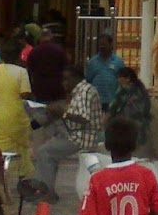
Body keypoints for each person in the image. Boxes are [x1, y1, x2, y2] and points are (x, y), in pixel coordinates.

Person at [35, 64, 107, 200]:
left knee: (44, 151)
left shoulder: (84, 92)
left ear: (76, 78)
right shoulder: (83, 90)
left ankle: (45, 191)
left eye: (66, 80)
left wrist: (63, 112)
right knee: (50, 146)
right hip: (78, 133)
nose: (64, 84)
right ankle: (46, 188)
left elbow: (83, 118)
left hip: (83, 136)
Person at [0, 33, 34, 181]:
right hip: (16, 118)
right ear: (19, 54)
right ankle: (22, 182)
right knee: (21, 151)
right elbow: (25, 94)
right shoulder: (21, 72)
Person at [110, 66, 153, 149]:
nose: (118, 80)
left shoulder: (135, 91)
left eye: (119, 77)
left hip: (134, 125)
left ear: (128, 79)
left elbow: (136, 111)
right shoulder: (126, 89)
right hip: (129, 126)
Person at [26, 24, 69, 103]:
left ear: (40, 37)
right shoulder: (59, 50)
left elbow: (30, 69)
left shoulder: (34, 51)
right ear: (51, 36)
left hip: (40, 87)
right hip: (56, 87)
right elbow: (66, 67)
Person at [86, 33, 125, 109]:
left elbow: (122, 82)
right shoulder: (92, 62)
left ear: (111, 45)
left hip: (113, 102)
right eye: (100, 44)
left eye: (104, 44)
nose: (102, 47)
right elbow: (88, 81)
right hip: (95, 103)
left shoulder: (118, 62)